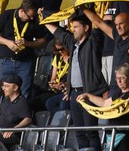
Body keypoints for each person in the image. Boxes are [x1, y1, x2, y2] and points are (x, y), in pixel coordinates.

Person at [44, 12, 107, 150]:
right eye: (73, 26)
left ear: (86, 28)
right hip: (74, 94)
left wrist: (85, 8)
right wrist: (44, 17)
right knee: (79, 131)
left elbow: (98, 25)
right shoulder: (72, 43)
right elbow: (57, 32)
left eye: (76, 27)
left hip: (89, 93)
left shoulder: (93, 41)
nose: (73, 29)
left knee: (90, 132)